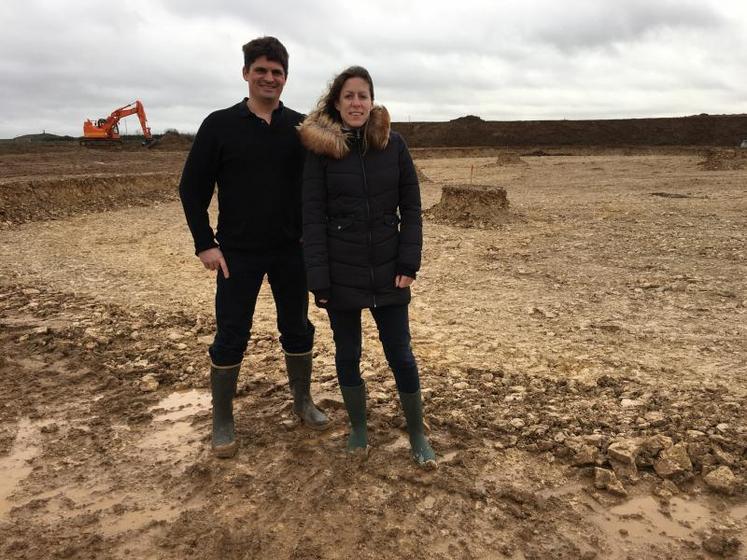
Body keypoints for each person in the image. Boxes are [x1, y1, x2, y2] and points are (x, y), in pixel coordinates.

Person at [179, 36, 328, 459]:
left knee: (297, 328)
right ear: (246, 73)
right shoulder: (219, 125)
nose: (269, 78)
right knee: (231, 334)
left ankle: (302, 402)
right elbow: (192, 189)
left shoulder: (301, 129)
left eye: (277, 72)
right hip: (237, 254)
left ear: (286, 78)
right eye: (261, 70)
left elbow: (322, 186)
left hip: (289, 252)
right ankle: (222, 418)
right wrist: (204, 243)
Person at [298, 66, 436, 468]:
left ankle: (417, 433)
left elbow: (411, 208)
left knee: (402, 356)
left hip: (390, 268)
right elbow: (312, 216)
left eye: (363, 95)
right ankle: (359, 428)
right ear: (336, 103)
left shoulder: (394, 146)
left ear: (372, 101)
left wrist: (409, 261)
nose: (356, 103)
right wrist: (319, 278)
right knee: (347, 354)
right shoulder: (321, 151)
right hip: (342, 273)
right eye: (349, 96)